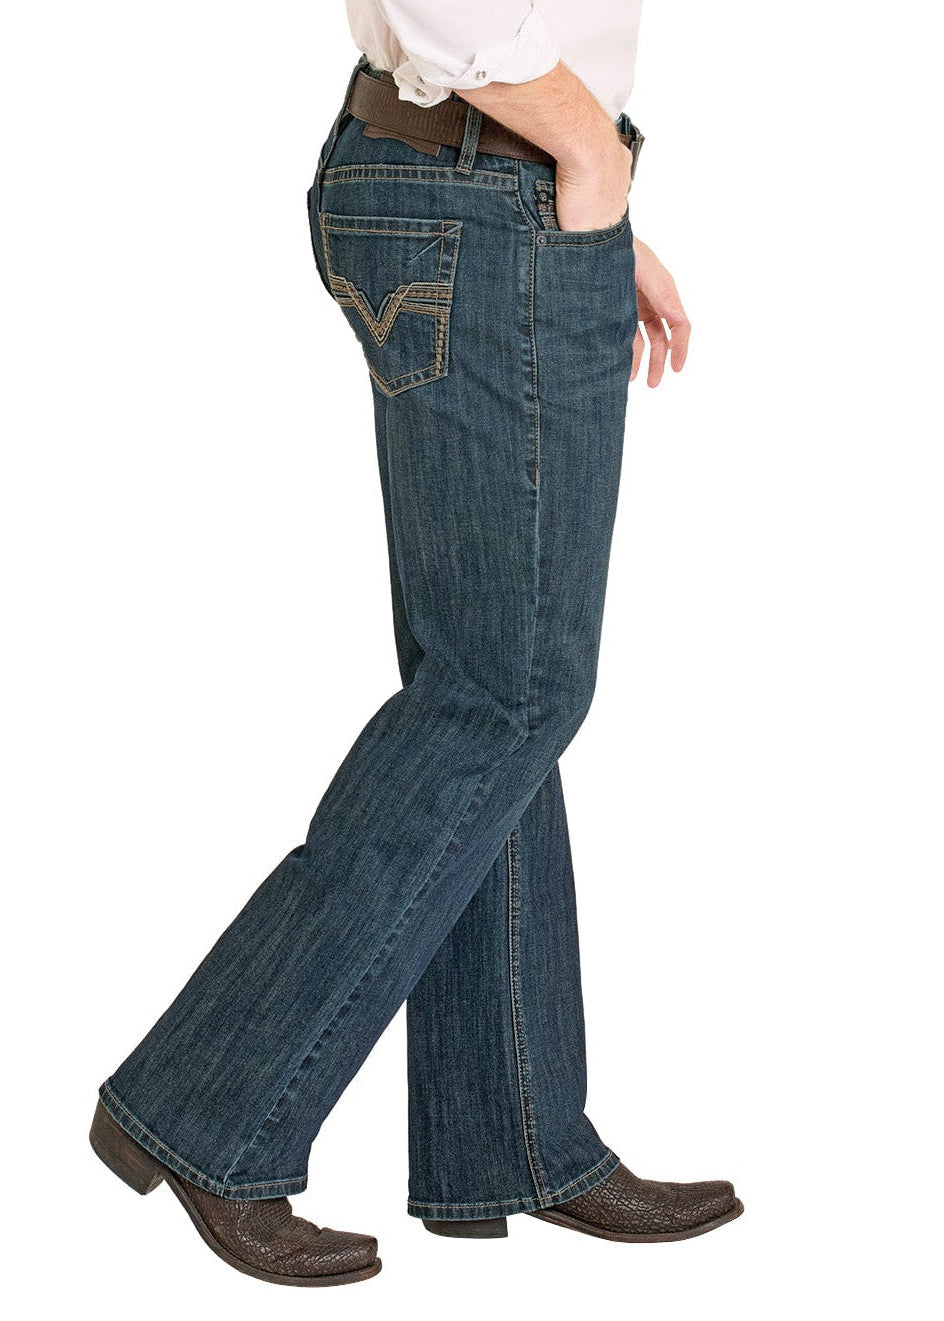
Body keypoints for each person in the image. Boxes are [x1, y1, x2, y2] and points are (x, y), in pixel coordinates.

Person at [89, 1, 742, 1288]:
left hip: (475, 187)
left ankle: (509, 1132)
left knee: (490, 677)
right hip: (487, 193)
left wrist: (594, 205)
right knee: (506, 694)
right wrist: (586, 159)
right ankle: (207, 1098)